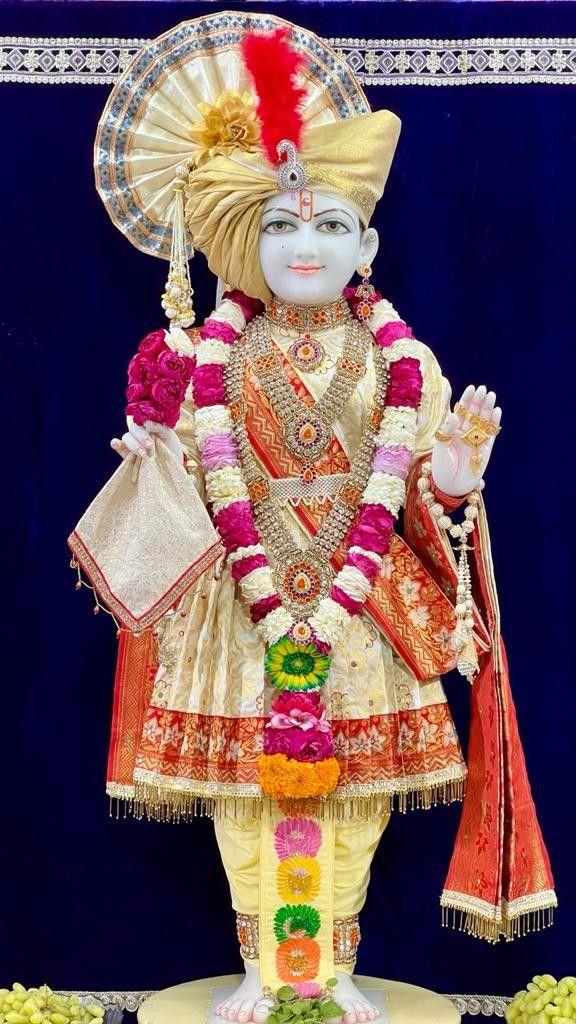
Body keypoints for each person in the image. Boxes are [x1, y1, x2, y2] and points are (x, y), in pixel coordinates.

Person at [93, 13, 555, 1024]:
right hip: (240, 608)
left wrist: (449, 474)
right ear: (243, 245)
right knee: (244, 799)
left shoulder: (403, 363)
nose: (309, 245)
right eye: (284, 227)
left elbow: (432, 507)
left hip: (361, 606)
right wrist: (153, 463)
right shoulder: (207, 365)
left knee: (355, 800)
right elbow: (171, 491)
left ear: (368, 241)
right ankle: (264, 967)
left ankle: (330, 968)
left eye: (332, 225)